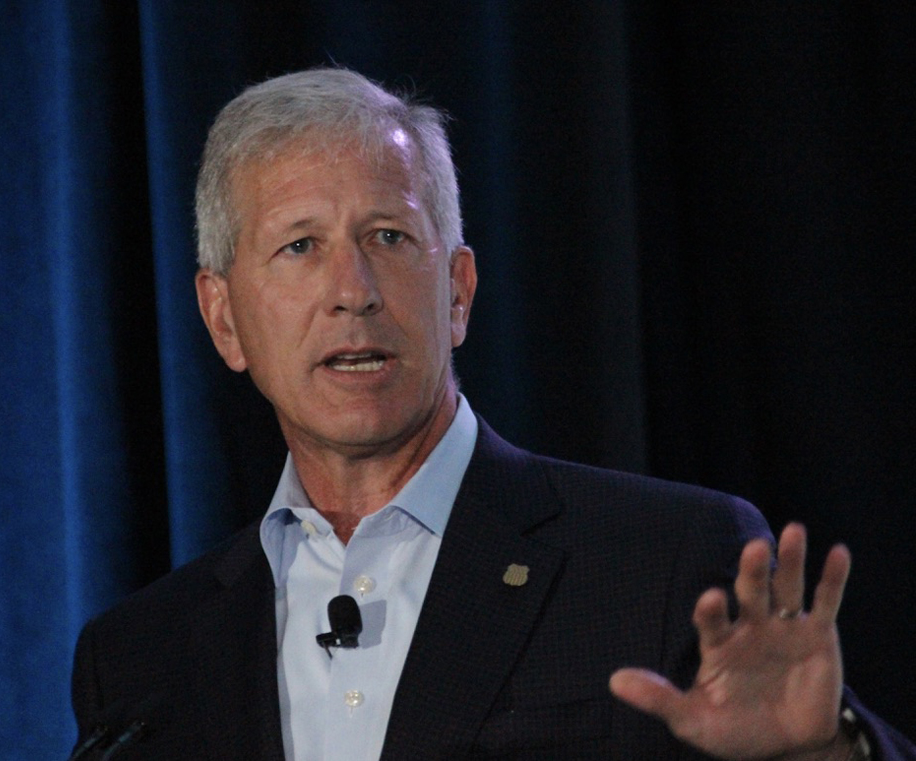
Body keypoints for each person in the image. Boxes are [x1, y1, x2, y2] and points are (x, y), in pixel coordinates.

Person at [69, 68, 915, 760]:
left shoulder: (666, 564)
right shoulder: (141, 660)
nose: (352, 293)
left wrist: (821, 753)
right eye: (300, 246)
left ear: (459, 291)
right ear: (223, 319)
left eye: (389, 238)